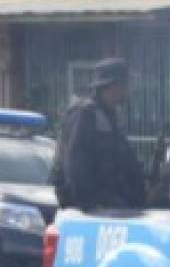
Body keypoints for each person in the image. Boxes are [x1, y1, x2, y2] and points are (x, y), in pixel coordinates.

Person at [51, 58, 146, 211]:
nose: (129, 89)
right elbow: (75, 164)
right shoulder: (84, 114)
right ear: (113, 86)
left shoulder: (109, 115)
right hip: (90, 208)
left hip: (108, 203)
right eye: (126, 84)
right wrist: (88, 205)